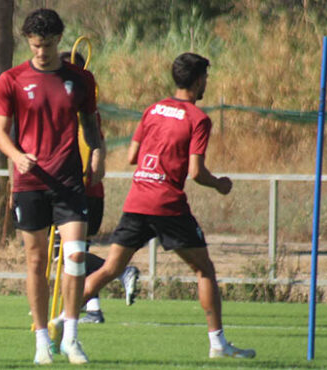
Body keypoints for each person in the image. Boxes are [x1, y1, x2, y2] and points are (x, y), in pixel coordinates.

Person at [84, 52, 255, 359]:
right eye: (206, 79)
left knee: (110, 269)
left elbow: (131, 156)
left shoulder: (152, 109)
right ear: (199, 80)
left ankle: (60, 322)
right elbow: (195, 172)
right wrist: (219, 184)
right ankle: (218, 345)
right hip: (167, 205)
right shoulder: (198, 119)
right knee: (205, 270)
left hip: (137, 200)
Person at [0, 8, 103, 365]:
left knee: (76, 257)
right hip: (30, 182)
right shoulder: (11, 79)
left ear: (59, 40)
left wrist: (98, 153)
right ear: (29, 42)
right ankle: (42, 340)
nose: (41, 52)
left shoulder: (80, 79)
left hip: (70, 181)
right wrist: (16, 155)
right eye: (35, 45)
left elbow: (91, 125)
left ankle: (71, 337)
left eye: (48, 45)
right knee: (36, 260)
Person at [57, 51, 140, 325]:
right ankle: (92, 309)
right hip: (82, 190)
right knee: (72, 255)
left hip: (78, 190)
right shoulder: (81, 110)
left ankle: (120, 271)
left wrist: (92, 167)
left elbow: (95, 148)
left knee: (67, 253)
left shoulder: (79, 111)